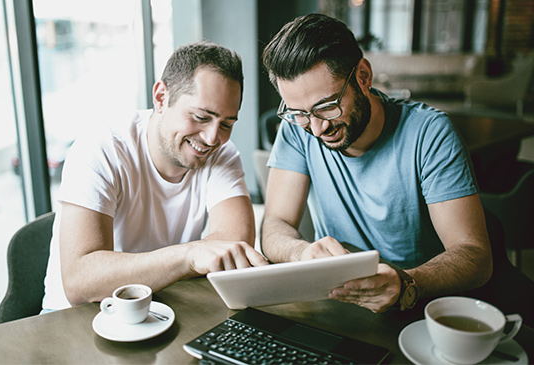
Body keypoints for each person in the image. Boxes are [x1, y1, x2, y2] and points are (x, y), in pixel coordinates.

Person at [260, 13, 492, 313]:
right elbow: (275, 225)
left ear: (363, 77)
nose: (316, 129)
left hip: (418, 306)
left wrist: (406, 282)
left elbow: (475, 256)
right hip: (337, 302)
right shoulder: (296, 128)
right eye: (299, 112)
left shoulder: (429, 133)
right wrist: (301, 253)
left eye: (327, 107)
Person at [42, 41, 268, 311]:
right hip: (72, 317)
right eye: (200, 117)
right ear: (161, 97)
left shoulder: (222, 154)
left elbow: (234, 245)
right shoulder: (102, 147)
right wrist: (189, 255)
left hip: (161, 308)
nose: (212, 138)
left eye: (227, 124)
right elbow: (81, 282)